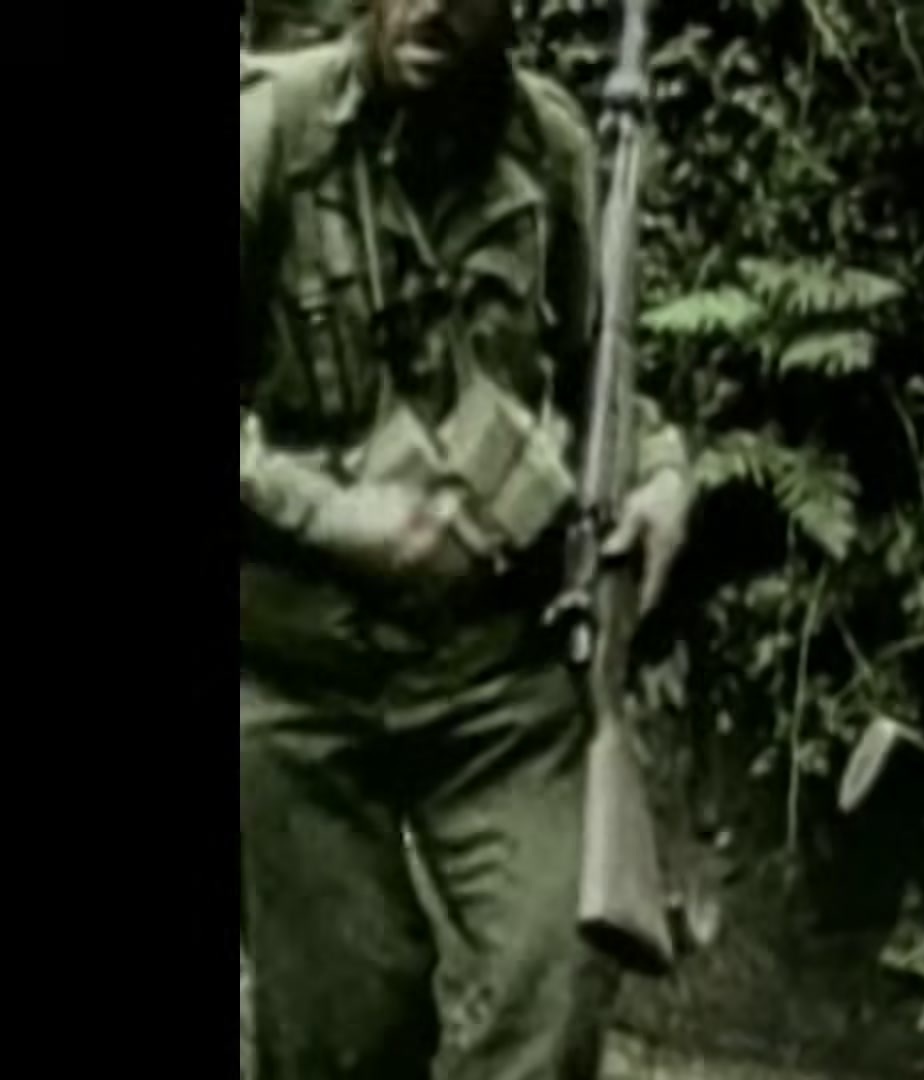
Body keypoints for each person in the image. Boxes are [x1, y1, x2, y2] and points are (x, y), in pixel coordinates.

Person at [239, 3, 694, 1078]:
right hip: (296, 685)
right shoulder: (269, 137)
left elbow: (601, 383)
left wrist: (662, 477)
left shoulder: (555, 148)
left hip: (499, 680)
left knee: (552, 987)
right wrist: (330, 515)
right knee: (349, 1035)